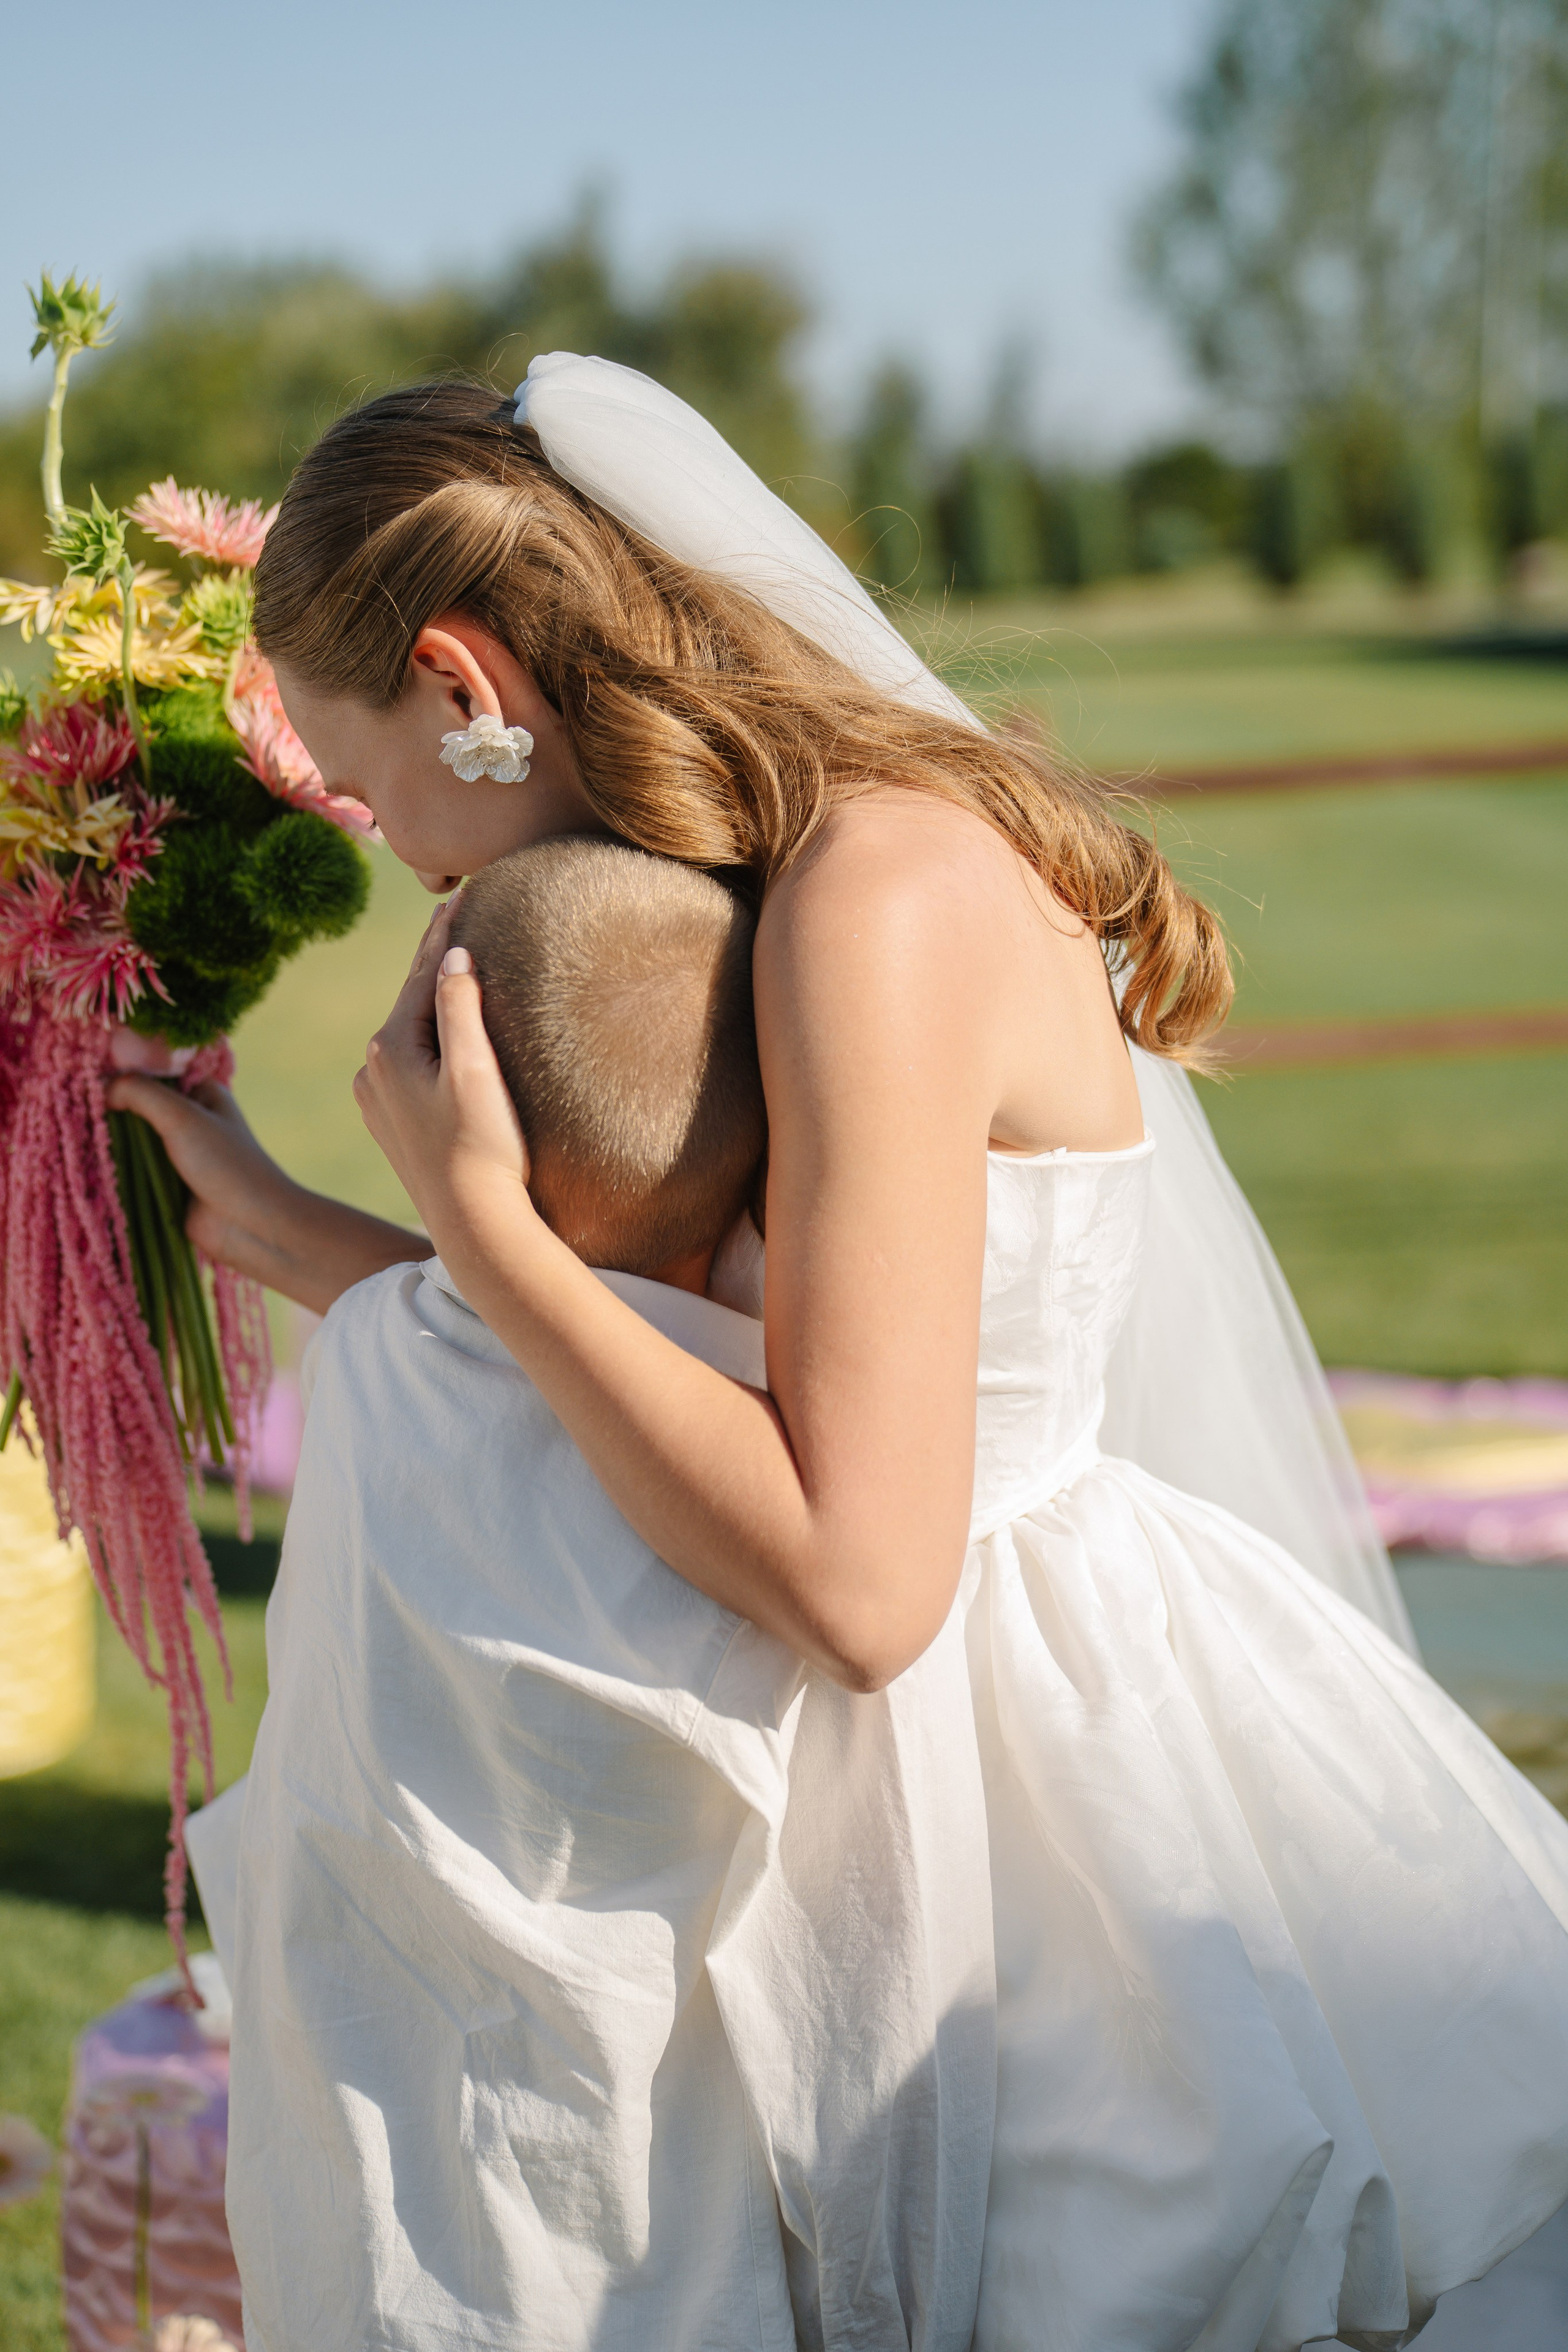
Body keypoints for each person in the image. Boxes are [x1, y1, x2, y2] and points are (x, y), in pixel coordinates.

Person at [122, 358, 1568, 2352]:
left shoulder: (873, 901)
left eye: (382, 805)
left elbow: (863, 1578)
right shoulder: (766, 877)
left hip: (1025, 1821)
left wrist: (482, 1233)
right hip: (836, 1753)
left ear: (465, 686)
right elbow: (729, 1379)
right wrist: (283, 1226)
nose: (417, 873)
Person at [198, 837, 993, 2352]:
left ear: (443, 1105)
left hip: (391, 2086)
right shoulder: (757, 1445)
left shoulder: (375, 1355)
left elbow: (435, 1328)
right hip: (680, 2102)